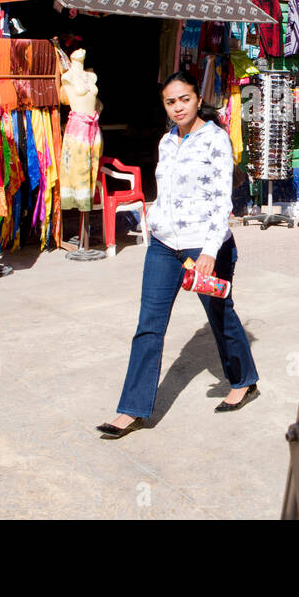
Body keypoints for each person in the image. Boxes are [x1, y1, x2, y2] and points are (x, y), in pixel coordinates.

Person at [96, 71, 260, 438]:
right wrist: (153, 222)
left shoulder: (215, 141)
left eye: (184, 99)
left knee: (219, 315)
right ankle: (131, 409)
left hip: (204, 245)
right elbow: (164, 189)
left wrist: (209, 251)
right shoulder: (167, 141)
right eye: (171, 102)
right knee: (148, 326)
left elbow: (223, 201)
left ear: (197, 100)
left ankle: (243, 380)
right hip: (164, 245)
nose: (178, 107)